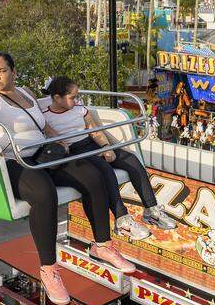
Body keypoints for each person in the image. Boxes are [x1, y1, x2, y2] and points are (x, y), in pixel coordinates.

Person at [0, 54, 133, 305]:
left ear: (14, 72)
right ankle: (49, 269)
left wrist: (57, 139)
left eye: (2, 71)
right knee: (44, 192)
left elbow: (41, 123)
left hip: (44, 153)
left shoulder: (26, 93)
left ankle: (102, 244)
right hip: (15, 161)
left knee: (91, 176)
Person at [40, 76, 177, 240]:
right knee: (105, 169)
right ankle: (122, 219)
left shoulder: (79, 108)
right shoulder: (45, 116)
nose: (76, 100)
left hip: (91, 143)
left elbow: (94, 130)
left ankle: (151, 209)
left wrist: (106, 147)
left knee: (131, 160)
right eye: (72, 97)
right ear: (57, 98)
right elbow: (55, 140)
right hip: (74, 152)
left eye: (77, 97)